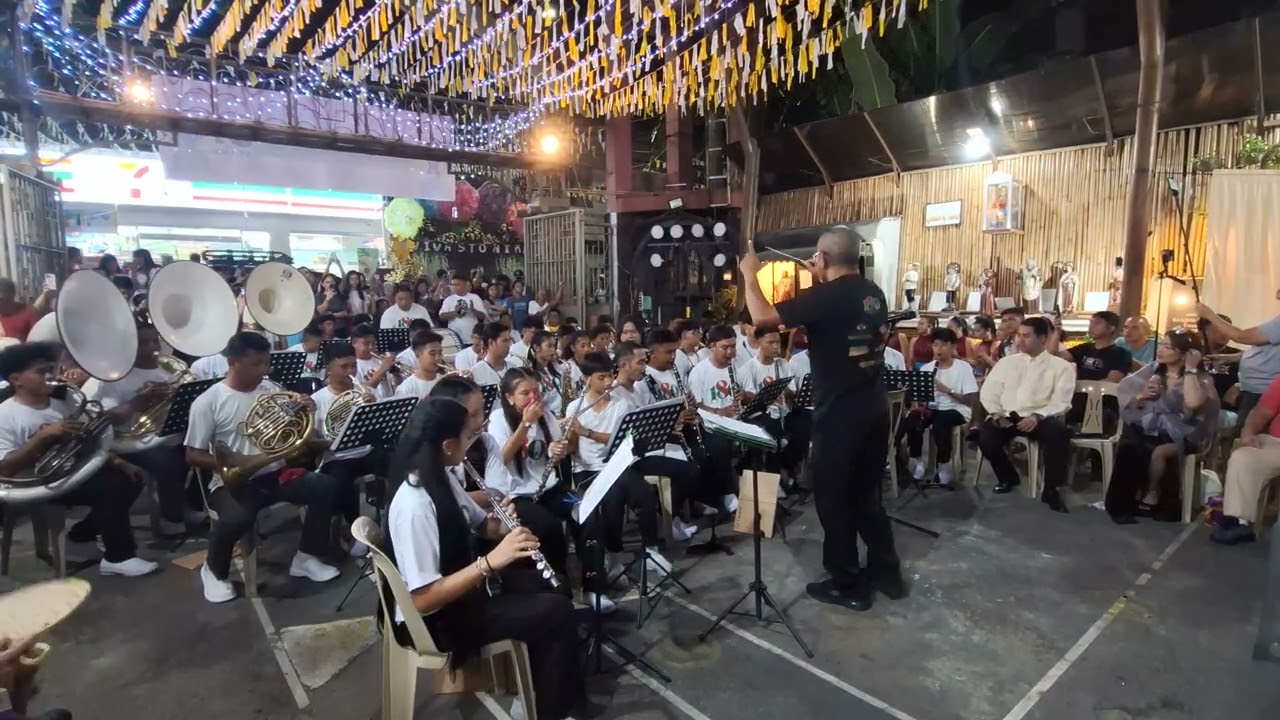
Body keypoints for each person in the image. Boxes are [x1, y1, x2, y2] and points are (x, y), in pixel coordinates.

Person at [385, 394, 586, 720]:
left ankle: (542, 691)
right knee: (557, 611)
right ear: (449, 446)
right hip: (436, 622)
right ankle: (554, 710)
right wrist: (490, 563)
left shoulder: (441, 474)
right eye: (468, 437)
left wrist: (502, 529)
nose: (473, 442)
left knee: (548, 587)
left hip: (460, 596)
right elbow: (422, 599)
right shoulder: (415, 504)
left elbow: (481, 528)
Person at [738, 225, 902, 611]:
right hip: (874, 410)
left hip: (840, 417)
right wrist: (821, 279)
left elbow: (761, 316)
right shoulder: (871, 291)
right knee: (867, 498)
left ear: (824, 259)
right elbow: (836, 315)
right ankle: (886, 573)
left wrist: (750, 272)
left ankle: (847, 584)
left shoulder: (825, 297)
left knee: (833, 501)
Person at [185, 332, 341, 603]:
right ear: (233, 363)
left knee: (324, 486)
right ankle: (214, 570)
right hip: (231, 482)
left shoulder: (270, 388)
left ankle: (305, 557)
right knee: (236, 517)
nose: (264, 370)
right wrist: (232, 463)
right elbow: (193, 454)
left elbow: (292, 429)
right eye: (256, 364)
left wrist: (305, 409)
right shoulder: (208, 402)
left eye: (266, 362)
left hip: (275, 473)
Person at [0, 342, 158, 577]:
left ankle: (85, 530)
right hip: (34, 483)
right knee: (112, 486)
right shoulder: (5, 415)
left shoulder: (64, 401)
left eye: (51, 370)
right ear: (16, 380)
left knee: (131, 477)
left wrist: (116, 461)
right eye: (40, 372)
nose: (50, 376)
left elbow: (87, 440)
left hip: (70, 472)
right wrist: (41, 439)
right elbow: (5, 469)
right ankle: (118, 556)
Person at [567, 351, 675, 580]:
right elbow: (572, 448)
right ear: (585, 379)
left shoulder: (621, 405)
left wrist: (587, 432)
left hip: (615, 464)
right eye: (601, 378)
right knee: (612, 499)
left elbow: (621, 439)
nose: (608, 383)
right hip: (588, 470)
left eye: (609, 376)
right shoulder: (575, 408)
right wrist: (565, 438)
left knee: (644, 494)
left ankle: (651, 551)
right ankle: (614, 558)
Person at [89, 323, 199, 535]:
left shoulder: (168, 368)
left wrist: (179, 396)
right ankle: (171, 519)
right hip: (133, 442)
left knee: (208, 449)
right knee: (170, 463)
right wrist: (142, 400)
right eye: (143, 343)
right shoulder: (115, 376)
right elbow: (113, 417)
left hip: (169, 433)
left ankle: (189, 505)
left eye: (155, 341)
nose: (152, 348)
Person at [1104, 330, 1216, 524]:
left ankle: (1155, 495)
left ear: (1185, 353)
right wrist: (1142, 396)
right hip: (1152, 427)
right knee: (1129, 445)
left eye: (1168, 347)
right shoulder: (1153, 371)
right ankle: (1121, 506)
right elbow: (1127, 394)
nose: (1161, 350)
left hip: (1185, 432)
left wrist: (1190, 369)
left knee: (1151, 448)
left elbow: (1192, 404)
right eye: (1162, 344)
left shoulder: (1200, 378)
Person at [977, 316, 1076, 511]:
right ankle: (1008, 477)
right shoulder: (1007, 363)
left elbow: (1061, 401)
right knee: (985, 434)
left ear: (1043, 338)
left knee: (1059, 434)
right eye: (1018, 336)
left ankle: (1051, 488)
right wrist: (996, 412)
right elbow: (990, 391)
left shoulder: (1061, 367)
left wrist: (1037, 416)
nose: (1019, 341)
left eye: (1026, 336)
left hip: (1039, 417)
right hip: (1006, 414)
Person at [309, 343, 383, 553]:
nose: (350, 372)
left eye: (353, 366)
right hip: (336, 457)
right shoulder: (318, 400)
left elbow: (381, 428)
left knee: (396, 461)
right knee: (341, 480)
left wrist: (373, 407)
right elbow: (311, 441)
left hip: (366, 451)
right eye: (344, 367)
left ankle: (390, 518)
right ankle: (354, 530)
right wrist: (332, 441)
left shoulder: (366, 392)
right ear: (329, 369)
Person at [899, 328, 978, 488]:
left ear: (953, 346)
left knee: (941, 423)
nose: (938, 349)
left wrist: (948, 390)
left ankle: (944, 466)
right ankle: (918, 461)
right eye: (935, 345)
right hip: (932, 408)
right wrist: (917, 402)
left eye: (943, 345)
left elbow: (970, 400)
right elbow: (918, 399)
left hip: (957, 409)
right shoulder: (927, 368)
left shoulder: (963, 368)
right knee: (913, 420)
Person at [1211, 374, 1280, 545]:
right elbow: (1261, 412)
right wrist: (1248, 432)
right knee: (1244, 458)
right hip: (1276, 444)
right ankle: (1240, 521)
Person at [738, 325, 809, 484]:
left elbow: (792, 393)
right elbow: (749, 399)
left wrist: (787, 393)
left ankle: (787, 467)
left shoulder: (783, 364)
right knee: (772, 429)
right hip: (761, 415)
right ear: (758, 343)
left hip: (783, 412)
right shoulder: (749, 368)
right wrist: (767, 397)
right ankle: (772, 477)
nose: (776, 346)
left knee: (804, 428)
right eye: (771, 343)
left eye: (778, 342)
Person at [686, 325, 746, 513]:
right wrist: (720, 412)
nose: (730, 352)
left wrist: (741, 397)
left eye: (733, 347)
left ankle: (750, 488)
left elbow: (737, 397)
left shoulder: (734, 368)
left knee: (760, 437)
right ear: (712, 346)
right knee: (720, 445)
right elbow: (696, 406)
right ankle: (726, 492)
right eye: (725, 347)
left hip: (732, 420)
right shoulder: (699, 372)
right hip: (709, 424)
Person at [1197, 291, 1280, 422]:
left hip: (1261, 391)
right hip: (1255, 390)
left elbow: (1242, 336)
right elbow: (1268, 352)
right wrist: (1229, 358)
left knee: (1248, 436)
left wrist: (1209, 315)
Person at [1065, 311, 1132, 382]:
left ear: (1111, 328)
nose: (1091, 326)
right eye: (1091, 323)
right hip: (1078, 390)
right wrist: (1056, 333)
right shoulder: (1084, 348)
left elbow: (1111, 381)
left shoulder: (1121, 354)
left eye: (1097, 323)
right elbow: (1057, 356)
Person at [395, 330, 446, 399]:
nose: (437, 358)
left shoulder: (446, 382)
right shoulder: (405, 389)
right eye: (432, 354)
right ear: (417, 355)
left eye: (440, 353)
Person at [468, 322, 520, 387]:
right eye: (504, 341)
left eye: (509, 341)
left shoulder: (513, 368)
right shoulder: (476, 372)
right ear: (491, 342)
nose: (508, 345)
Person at [440, 272, 486, 343]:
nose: (454, 287)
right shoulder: (448, 299)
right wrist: (454, 313)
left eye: (457, 285)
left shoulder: (475, 297)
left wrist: (473, 310)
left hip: (472, 337)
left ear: (465, 284)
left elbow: (482, 316)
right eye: (453, 285)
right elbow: (441, 316)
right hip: (455, 338)